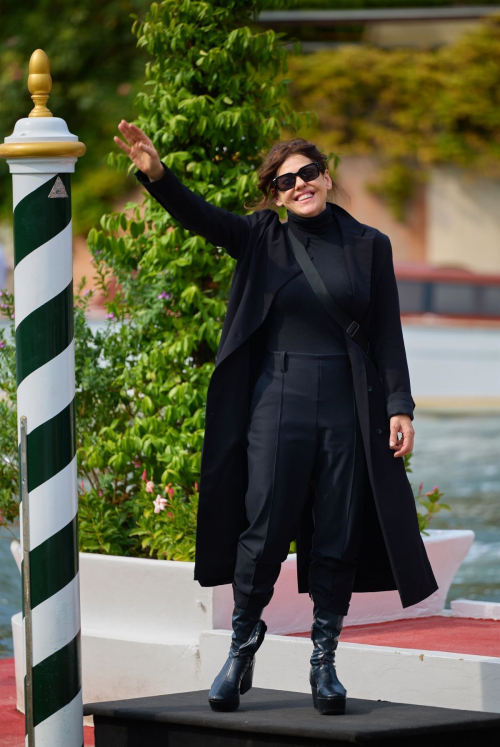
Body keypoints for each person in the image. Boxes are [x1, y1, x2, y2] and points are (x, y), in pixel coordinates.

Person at [114, 120, 437, 716]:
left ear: (327, 175)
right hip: (276, 397)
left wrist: (399, 406)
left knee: (337, 531)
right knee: (263, 529)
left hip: (347, 403)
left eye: (308, 173)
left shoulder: (370, 245)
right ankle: (241, 646)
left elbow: (388, 334)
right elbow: (204, 218)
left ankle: (324, 660)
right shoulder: (264, 238)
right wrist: (157, 177)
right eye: (285, 182)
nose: (299, 185)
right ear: (277, 195)